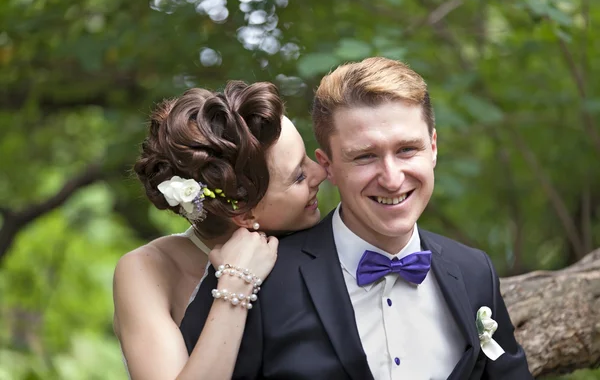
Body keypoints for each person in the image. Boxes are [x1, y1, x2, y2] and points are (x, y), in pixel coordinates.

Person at [180, 57, 533, 379]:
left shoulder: (474, 271)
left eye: (407, 149)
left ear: (434, 148)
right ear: (328, 165)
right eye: (365, 157)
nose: (392, 178)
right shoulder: (254, 279)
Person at [112, 80, 326, 380]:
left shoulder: (319, 249)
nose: (322, 172)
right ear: (243, 210)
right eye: (299, 176)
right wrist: (236, 283)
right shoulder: (147, 270)